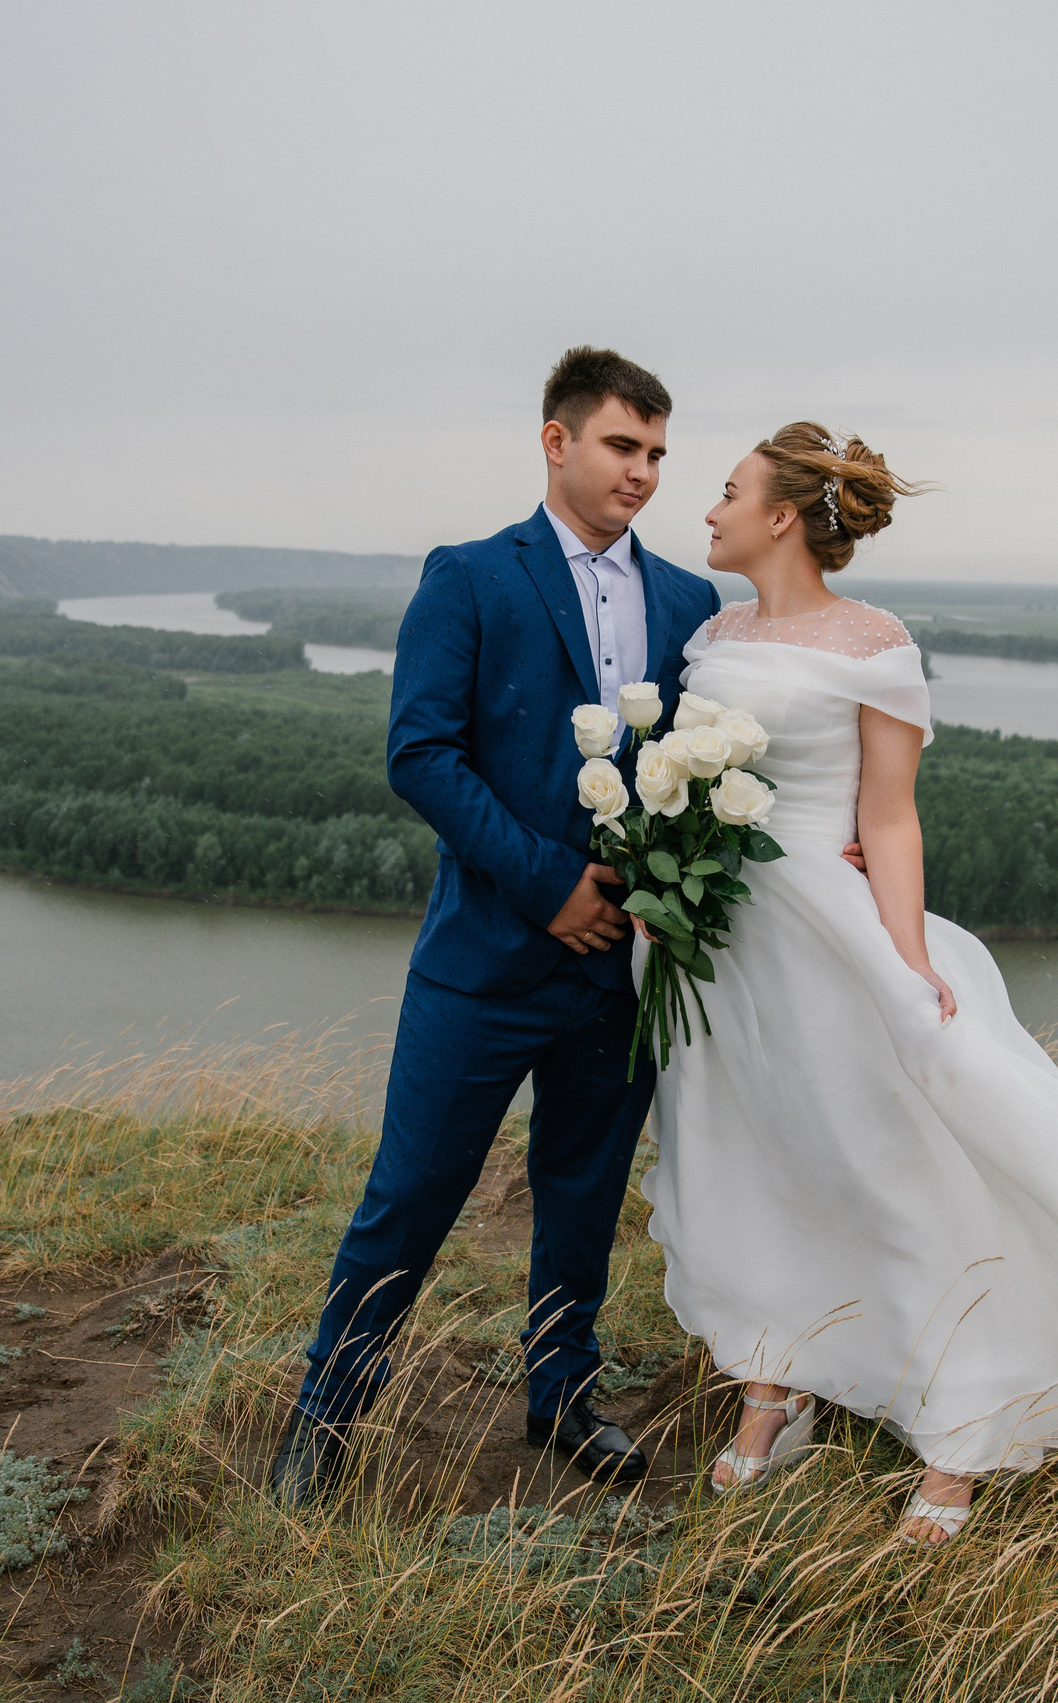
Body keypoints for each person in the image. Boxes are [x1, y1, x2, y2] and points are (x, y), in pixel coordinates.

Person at [642, 423, 1058, 1544]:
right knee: (747, 1155)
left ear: (783, 515)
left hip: (825, 935)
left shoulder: (874, 642)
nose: (707, 509)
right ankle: (774, 1378)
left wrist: (906, 960)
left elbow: (887, 814)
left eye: (728, 490)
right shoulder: (712, 633)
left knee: (893, 1166)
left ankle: (963, 1427)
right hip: (719, 937)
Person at [269, 348, 721, 1508]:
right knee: (412, 1190)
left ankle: (563, 1395)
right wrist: (548, 886)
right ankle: (327, 1410)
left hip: (619, 972)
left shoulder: (688, 602)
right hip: (484, 961)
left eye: (660, 452)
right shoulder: (469, 575)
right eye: (624, 446)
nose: (645, 473)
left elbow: (698, 778)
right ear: (556, 441)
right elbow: (419, 753)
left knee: (583, 1193)